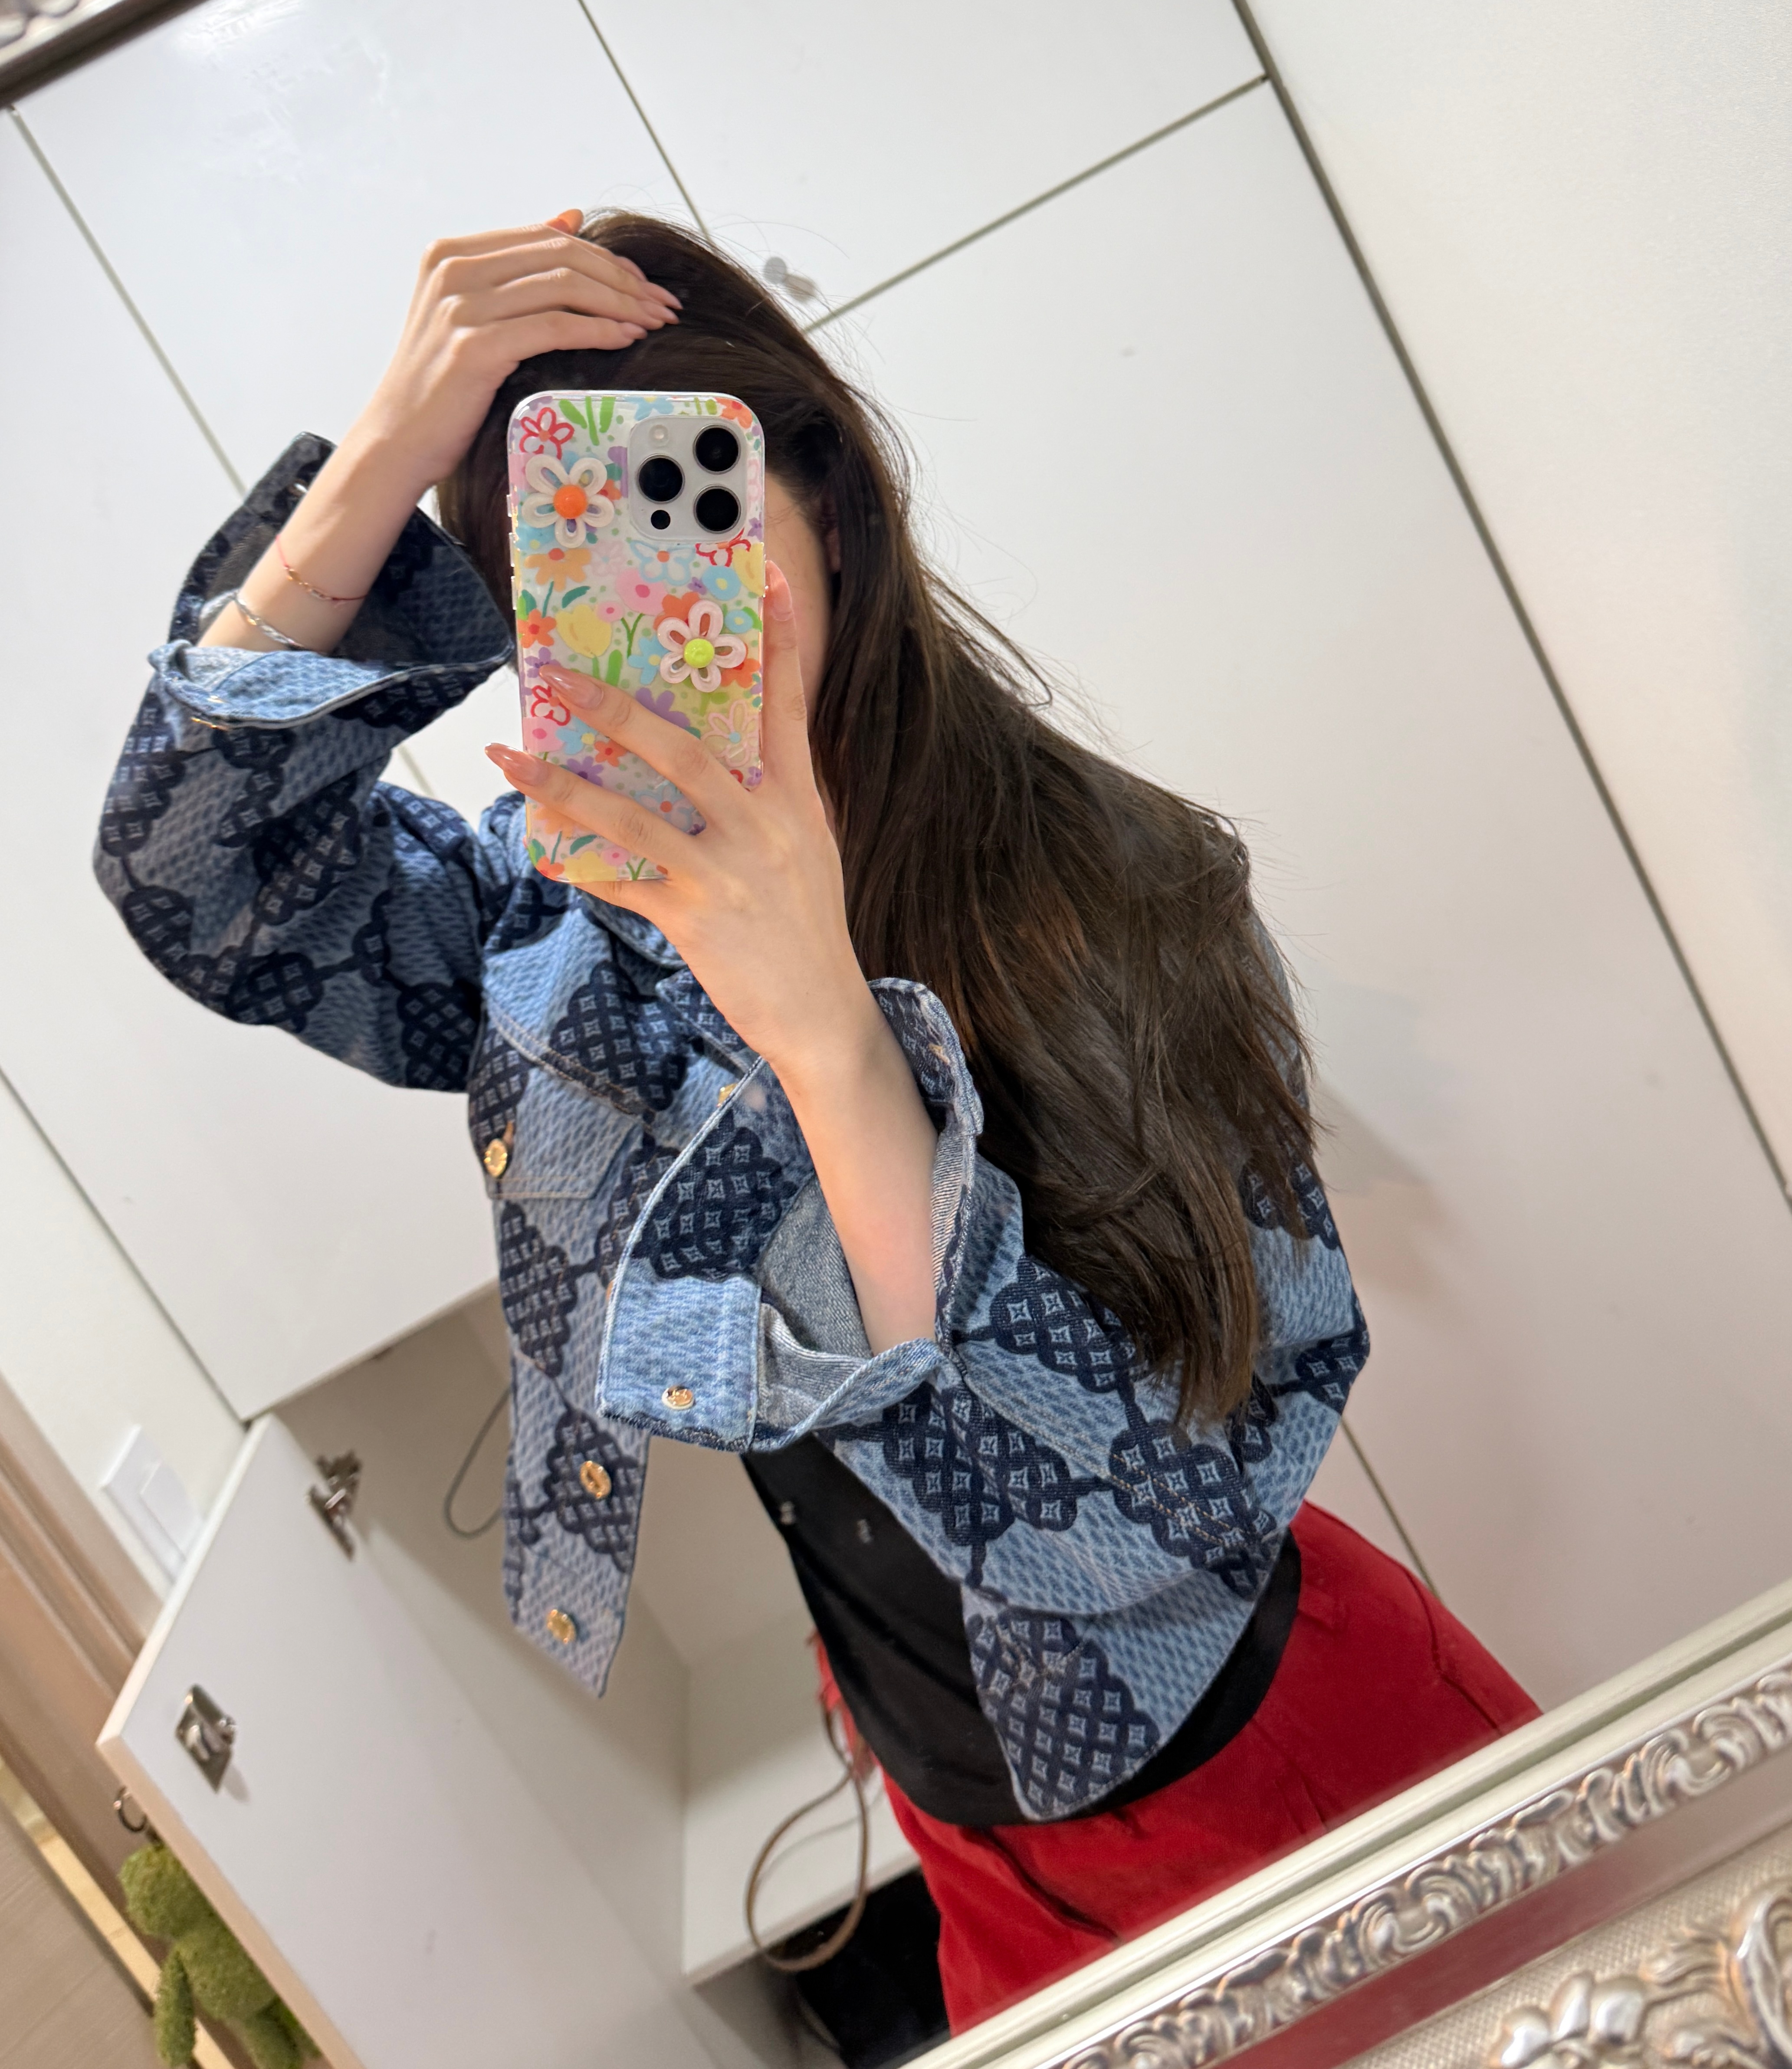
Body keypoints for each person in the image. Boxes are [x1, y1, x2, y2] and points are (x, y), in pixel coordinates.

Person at [97, 210, 1536, 2030]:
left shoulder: (1111, 901)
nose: (632, 617)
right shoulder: (566, 937)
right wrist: (378, 460)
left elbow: (1121, 1546)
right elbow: (204, 888)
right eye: (554, 572)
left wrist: (827, 1036)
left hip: (1276, 1775)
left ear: (827, 511)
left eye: (681, 526)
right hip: (964, 1829)